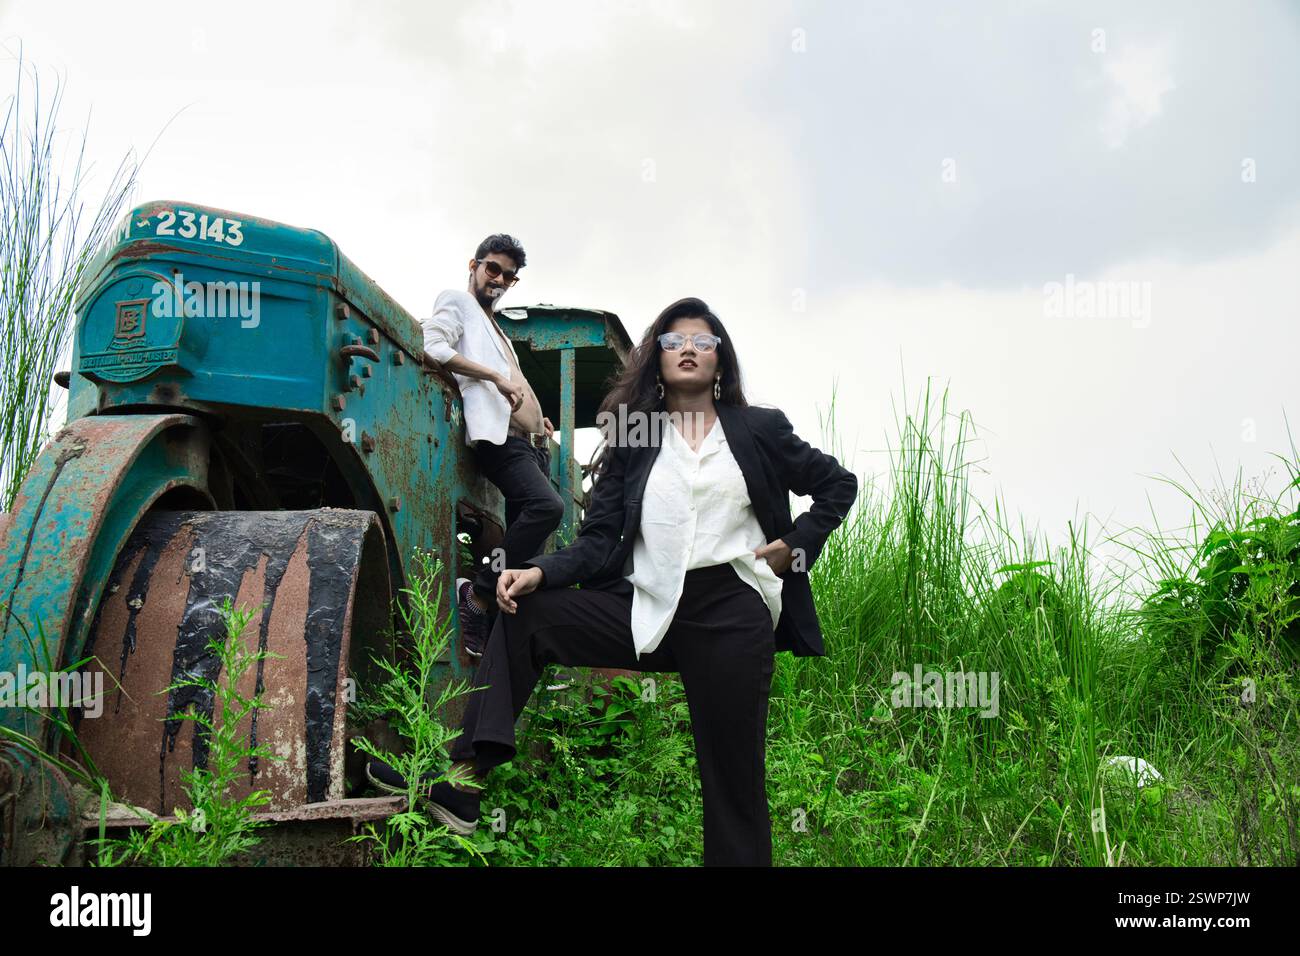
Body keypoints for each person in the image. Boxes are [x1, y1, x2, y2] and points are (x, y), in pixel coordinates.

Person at [376, 296, 857, 866]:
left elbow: (838, 485)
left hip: (731, 612)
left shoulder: (759, 428)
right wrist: (538, 570)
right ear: (657, 358)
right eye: (674, 341)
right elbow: (600, 540)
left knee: (733, 779)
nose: (687, 349)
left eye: (702, 341)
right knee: (531, 614)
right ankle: (463, 779)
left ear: (720, 361)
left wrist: (798, 543)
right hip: (649, 606)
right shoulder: (636, 436)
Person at [419, 234, 563, 658]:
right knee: (548, 507)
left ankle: (505, 650)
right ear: (474, 265)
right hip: (502, 442)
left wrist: (538, 420)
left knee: (523, 563)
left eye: (508, 276)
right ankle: (479, 593)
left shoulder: (495, 327)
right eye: (493, 269)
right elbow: (433, 346)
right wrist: (495, 378)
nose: (498, 280)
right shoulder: (458, 302)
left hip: (532, 445)